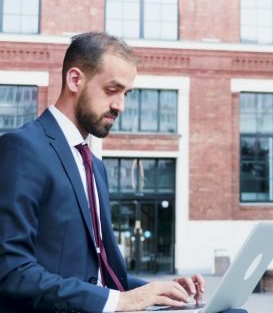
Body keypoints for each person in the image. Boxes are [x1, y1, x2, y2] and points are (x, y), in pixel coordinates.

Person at [0, 32, 245, 312]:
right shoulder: (22, 148)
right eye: (111, 90)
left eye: (125, 94)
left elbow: (104, 276)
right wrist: (121, 301)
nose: (120, 106)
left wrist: (163, 291)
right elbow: (11, 270)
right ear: (74, 80)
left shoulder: (95, 166)